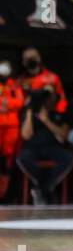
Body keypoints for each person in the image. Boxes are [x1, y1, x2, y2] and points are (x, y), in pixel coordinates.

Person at [16, 86, 73, 205]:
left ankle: (44, 187)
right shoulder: (30, 114)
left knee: (70, 158)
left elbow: (64, 135)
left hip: (52, 148)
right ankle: (43, 187)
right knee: (22, 158)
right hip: (33, 148)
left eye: (49, 94)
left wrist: (46, 120)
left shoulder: (59, 115)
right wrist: (29, 111)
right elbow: (26, 135)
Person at [0, 57, 24, 200]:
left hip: (12, 127)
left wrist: (6, 104)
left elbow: (20, 102)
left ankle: (5, 194)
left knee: (9, 160)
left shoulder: (14, 85)